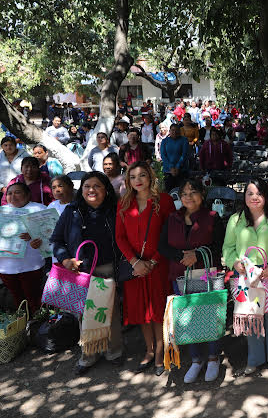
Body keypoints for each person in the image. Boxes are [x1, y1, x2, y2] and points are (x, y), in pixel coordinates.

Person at [50, 172, 123, 374]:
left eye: (97, 186)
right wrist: (66, 259)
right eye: (87, 186)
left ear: (106, 189)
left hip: (107, 268)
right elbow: (56, 240)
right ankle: (89, 355)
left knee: (111, 313)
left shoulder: (115, 209)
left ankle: (113, 351)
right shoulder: (71, 211)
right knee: (86, 315)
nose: (91, 190)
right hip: (81, 273)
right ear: (80, 190)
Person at [222, 178, 268, 379]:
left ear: (266, 196)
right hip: (246, 276)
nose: (254, 197)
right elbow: (228, 248)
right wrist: (234, 263)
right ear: (244, 196)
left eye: (259, 193)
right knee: (251, 316)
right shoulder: (235, 220)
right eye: (250, 193)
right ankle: (255, 359)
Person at [158, 179, 225, 383]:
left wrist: (197, 255)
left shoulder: (212, 217)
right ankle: (196, 359)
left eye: (193, 192)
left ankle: (213, 357)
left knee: (210, 314)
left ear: (202, 194)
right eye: (184, 194)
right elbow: (162, 247)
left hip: (206, 274)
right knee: (186, 317)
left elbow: (220, 245)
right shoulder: (173, 218)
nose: (188, 197)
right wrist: (182, 257)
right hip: (181, 275)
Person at [115, 161, 175, 376]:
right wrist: (135, 262)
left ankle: (160, 350)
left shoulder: (164, 201)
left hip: (158, 266)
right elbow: (120, 237)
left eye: (142, 175)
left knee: (158, 310)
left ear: (150, 177)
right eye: (132, 177)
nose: (137, 180)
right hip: (135, 267)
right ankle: (148, 350)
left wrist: (153, 261)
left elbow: (170, 234)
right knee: (141, 311)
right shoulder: (124, 203)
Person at [0, 183, 45, 312]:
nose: (13, 196)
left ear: (28, 195)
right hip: (6, 266)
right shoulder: (0, 212)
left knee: (33, 298)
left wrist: (34, 234)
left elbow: (52, 232)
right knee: (18, 299)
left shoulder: (39, 209)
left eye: (17, 192)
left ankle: (37, 321)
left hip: (30, 265)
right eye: (9, 193)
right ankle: (22, 321)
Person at [0, 136, 30, 201]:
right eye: (5, 145)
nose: (8, 147)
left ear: (15, 145)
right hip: (2, 192)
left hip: (22, 191)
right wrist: (1, 188)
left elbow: (30, 172)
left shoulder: (25, 156)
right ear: (2, 146)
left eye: (11, 145)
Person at [160, 124, 189, 192]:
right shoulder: (164, 141)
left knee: (182, 191)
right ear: (169, 131)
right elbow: (163, 155)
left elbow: (184, 155)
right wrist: (171, 167)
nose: (174, 132)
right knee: (169, 191)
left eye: (176, 130)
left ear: (179, 131)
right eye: (172, 130)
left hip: (181, 170)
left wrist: (178, 167)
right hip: (168, 170)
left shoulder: (184, 140)